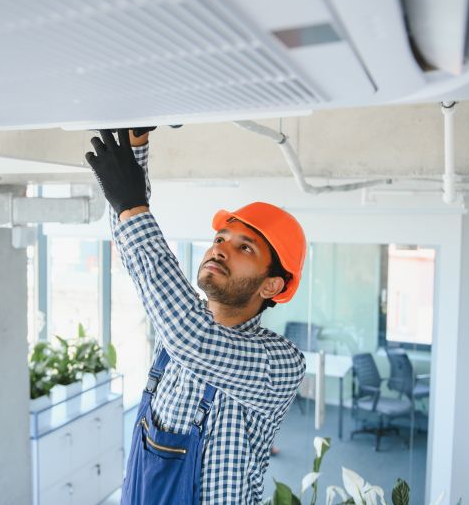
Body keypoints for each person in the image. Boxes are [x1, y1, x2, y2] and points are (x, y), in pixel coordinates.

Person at [86, 128, 307, 504]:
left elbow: (194, 339)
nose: (220, 250)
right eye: (220, 239)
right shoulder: (177, 329)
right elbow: (135, 254)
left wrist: (132, 206)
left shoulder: (280, 364)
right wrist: (135, 154)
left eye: (244, 248)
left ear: (270, 286)